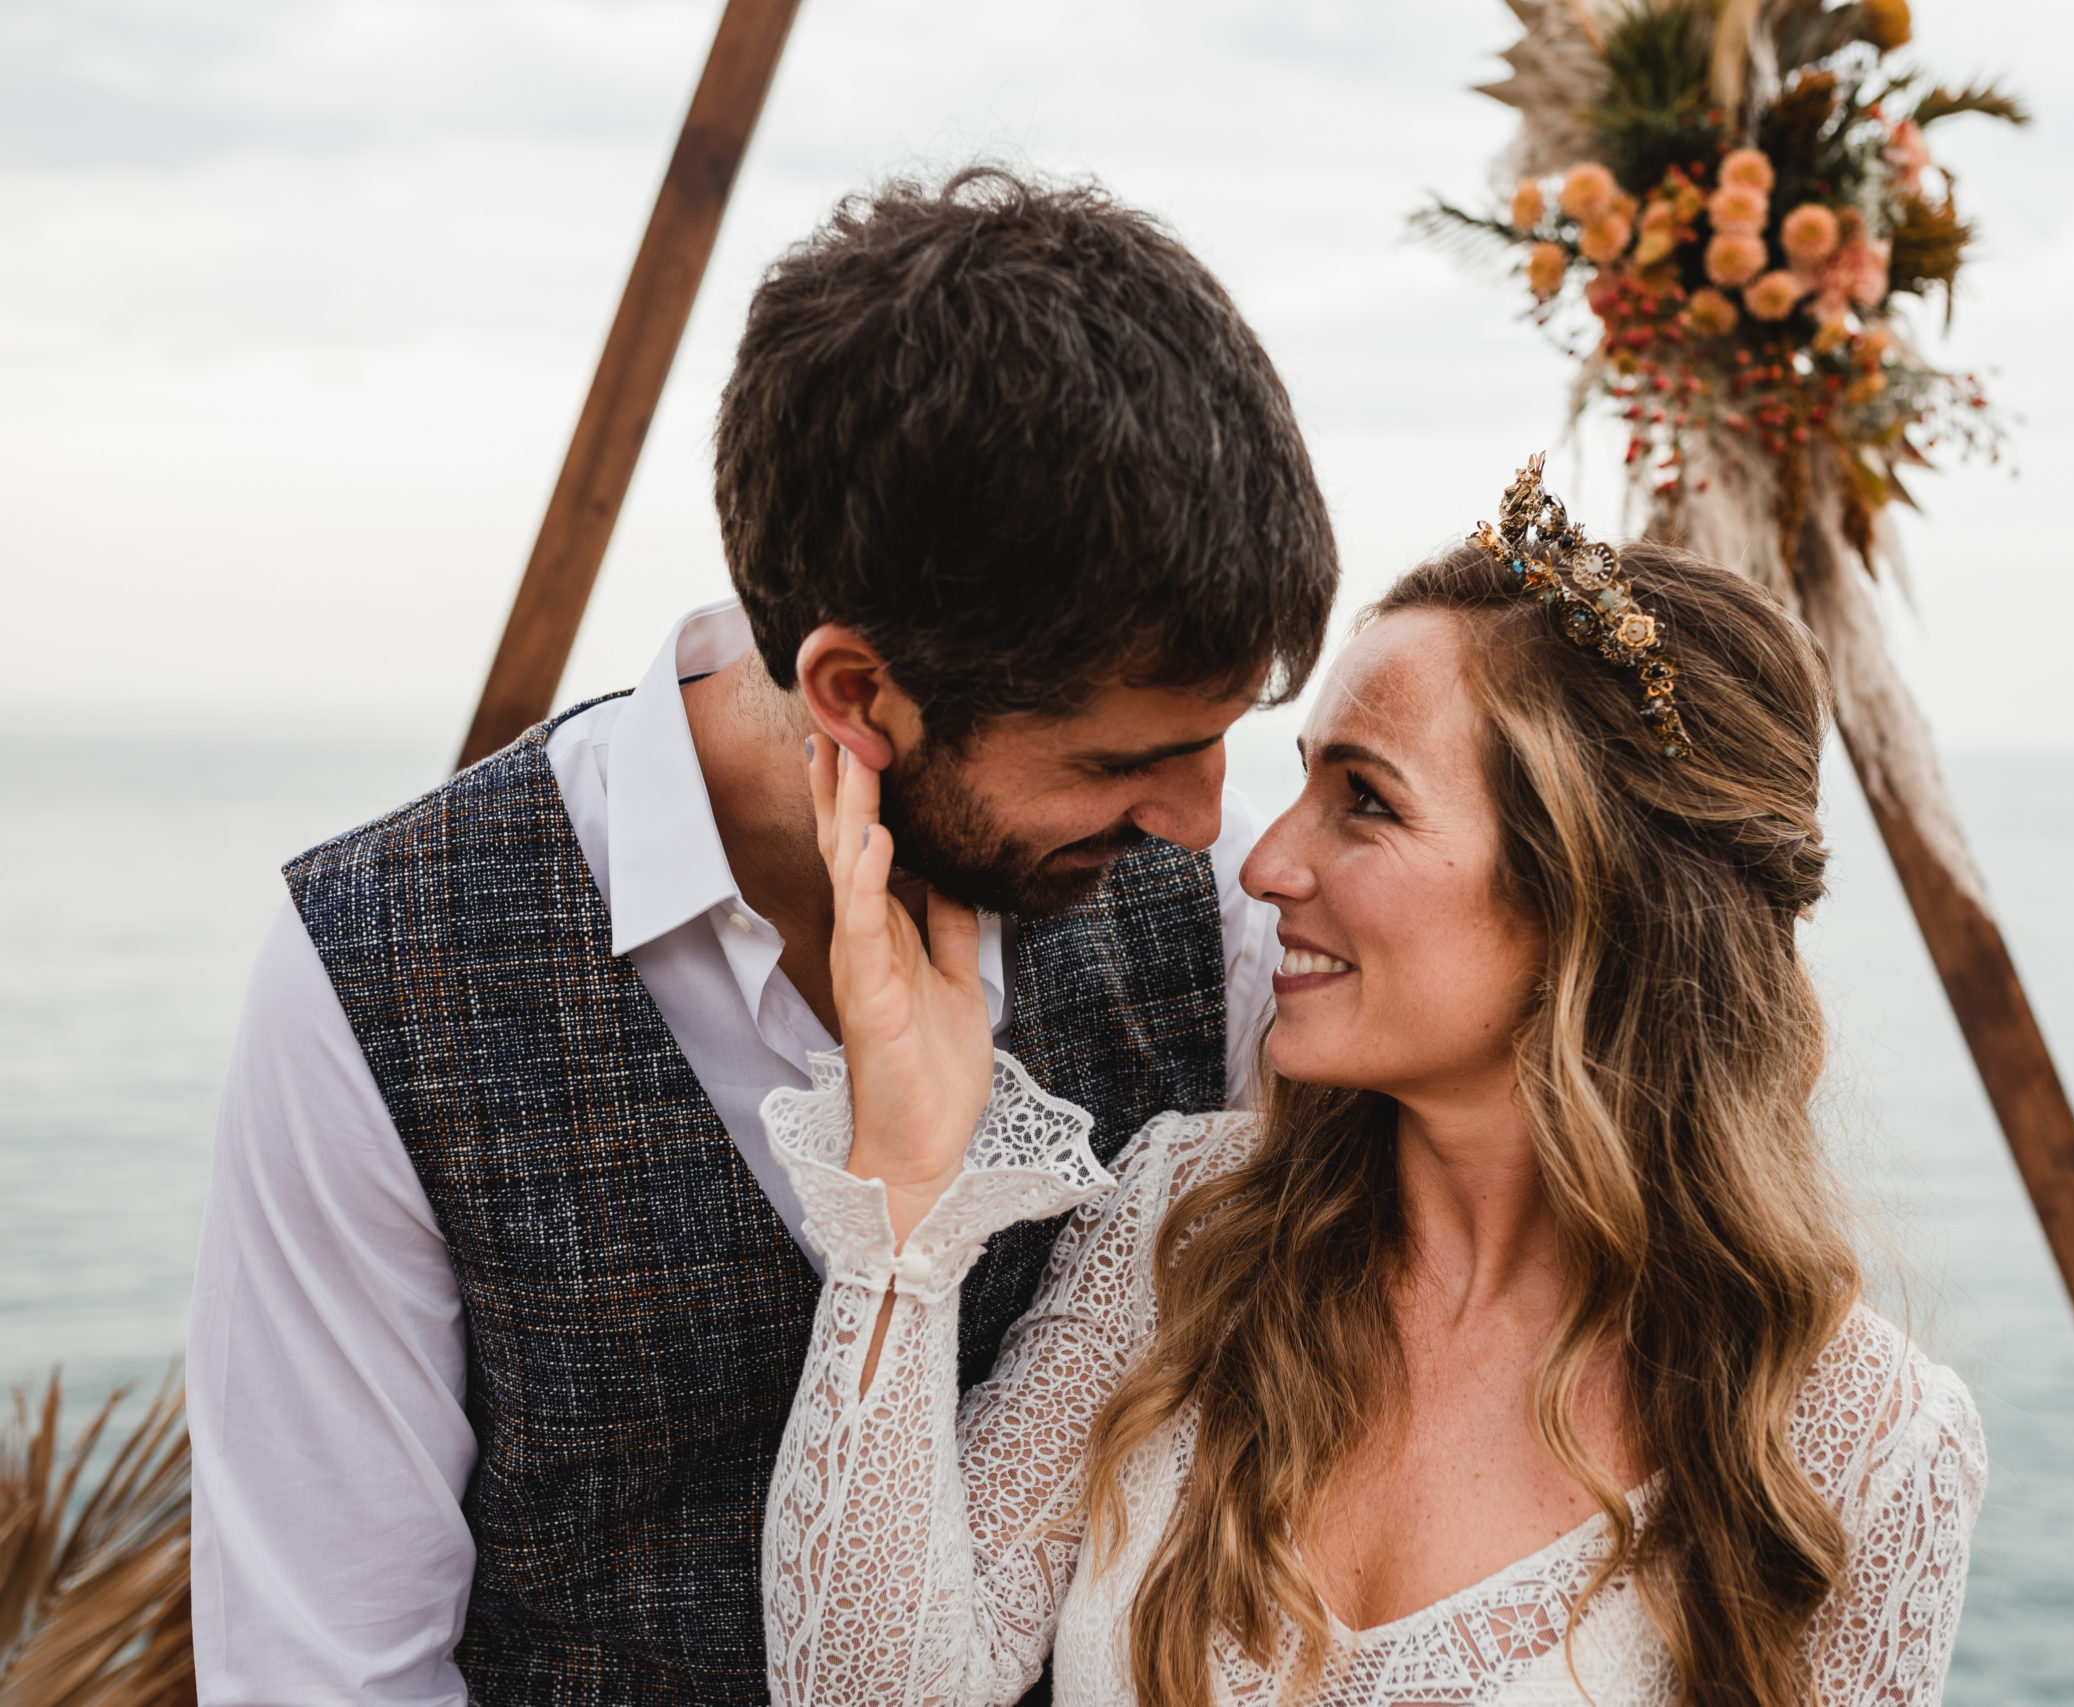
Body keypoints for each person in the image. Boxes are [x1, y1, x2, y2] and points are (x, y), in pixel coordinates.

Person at [186, 168, 1336, 1706]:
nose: (1209, 824)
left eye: (1218, 740)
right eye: (1121, 761)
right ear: (858, 693)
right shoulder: (371, 977)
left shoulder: (1213, 920)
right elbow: (325, 1666)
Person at [759, 463, 1989, 1707]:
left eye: (1363, 801)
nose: (1266, 863)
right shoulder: (1182, 1226)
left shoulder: (1862, 1443)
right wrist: (902, 1203)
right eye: (1299, 784)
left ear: (1590, 891)